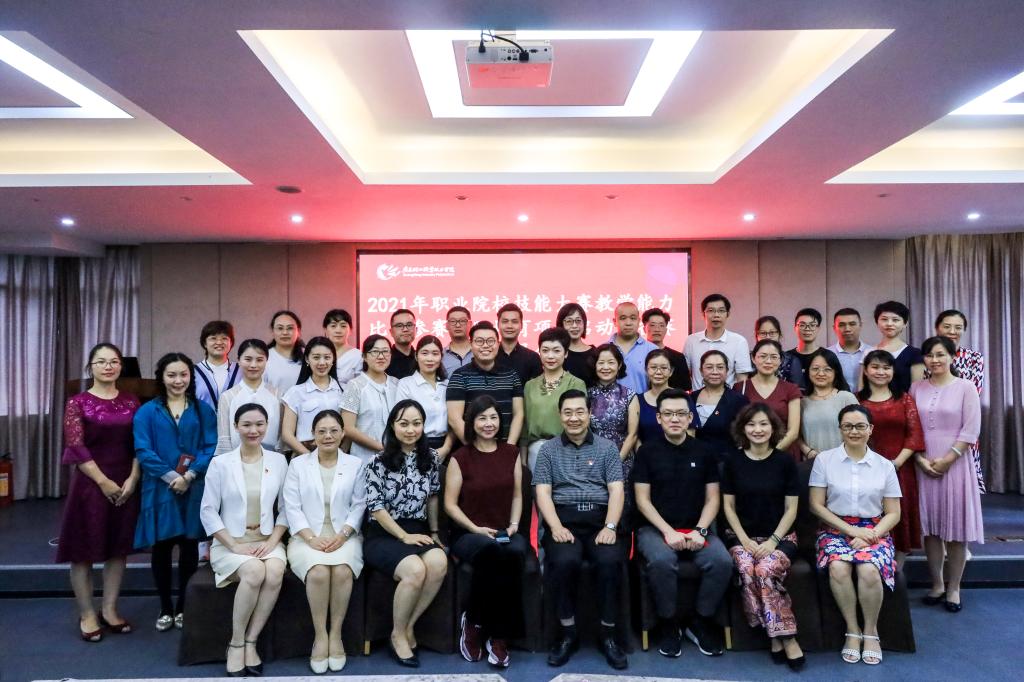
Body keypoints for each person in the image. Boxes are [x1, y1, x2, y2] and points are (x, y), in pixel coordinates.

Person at [633, 388, 731, 659]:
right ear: (659, 418)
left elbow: (713, 498)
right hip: (655, 529)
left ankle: (700, 620)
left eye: (680, 414)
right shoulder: (647, 452)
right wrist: (667, 532)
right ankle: (669, 623)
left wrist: (701, 530)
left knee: (722, 561)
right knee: (662, 561)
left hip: (697, 527)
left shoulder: (705, 452)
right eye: (668, 414)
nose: (674, 419)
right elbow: (642, 500)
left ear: (690, 418)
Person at [533, 389, 628, 670]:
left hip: (600, 520)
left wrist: (610, 526)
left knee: (610, 562)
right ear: (560, 415)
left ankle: (608, 634)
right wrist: (555, 526)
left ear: (589, 414)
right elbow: (543, 492)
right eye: (568, 412)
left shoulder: (607, 448)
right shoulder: (548, 450)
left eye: (579, 412)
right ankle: (568, 632)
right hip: (564, 521)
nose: (573, 418)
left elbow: (616, 490)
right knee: (564, 562)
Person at [57, 343, 142, 642]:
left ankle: (109, 608)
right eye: (101, 361)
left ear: (121, 366)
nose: (108, 366)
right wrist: (103, 482)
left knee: (118, 548)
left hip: (126, 481)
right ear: (90, 367)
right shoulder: (77, 402)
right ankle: (87, 613)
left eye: (114, 361)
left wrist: (133, 477)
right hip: (90, 483)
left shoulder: (132, 401)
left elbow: (139, 443)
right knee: (82, 551)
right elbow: (76, 446)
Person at [809, 405, 902, 665]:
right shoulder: (824, 460)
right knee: (838, 567)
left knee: (869, 569)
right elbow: (816, 505)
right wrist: (850, 531)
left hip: (874, 530)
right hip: (835, 529)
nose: (854, 431)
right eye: (848, 426)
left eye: (860, 426)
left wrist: (871, 534)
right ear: (840, 429)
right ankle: (852, 630)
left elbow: (893, 513)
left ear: (870, 429)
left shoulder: (884, 465)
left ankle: (871, 631)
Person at [200, 403, 288, 677]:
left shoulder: (278, 461)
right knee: (254, 571)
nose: (253, 430)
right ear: (236, 426)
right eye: (247, 425)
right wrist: (234, 545)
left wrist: (273, 541)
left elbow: (287, 508)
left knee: (274, 571)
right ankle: (236, 643)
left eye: (259, 424)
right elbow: (208, 511)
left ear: (267, 426)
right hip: (231, 541)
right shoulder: (220, 463)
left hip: (266, 539)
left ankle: (252, 640)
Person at [133, 352, 217, 631]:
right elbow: (143, 450)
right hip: (160, 488)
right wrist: (173, 477)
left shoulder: (203, 410)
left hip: (193, 486)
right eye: (172, 375)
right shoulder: (147, 411)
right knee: (162, 547)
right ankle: (165, 607)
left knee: (190, 546)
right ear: (162, 377)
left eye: (183, 374)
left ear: (190, 377)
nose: (178, 380)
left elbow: (210, 446)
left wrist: (189, 476)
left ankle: (183, 605)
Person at [362, 400, 448, 668]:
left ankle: (409, 626)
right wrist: (403, 537)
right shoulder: (377, 462)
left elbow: (433, 496)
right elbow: (376, 508)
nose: (411, 430)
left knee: (438, 562)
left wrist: (434, 531)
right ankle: (397, 634)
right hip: (383, 533)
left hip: (417, 530)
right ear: (392, 426)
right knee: (414, 570)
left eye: (416, 424)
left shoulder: (430, 458)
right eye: (404, 424)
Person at [445, 396, 529, 668]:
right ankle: (475, 624)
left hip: (504, 529)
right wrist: (475, 528)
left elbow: (517, 495)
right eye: (482, 418)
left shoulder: (511, 453)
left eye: (493, 417)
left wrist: (514, 525)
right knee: (491, 552)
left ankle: (497, 635)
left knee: (514, 553)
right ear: (472, 423)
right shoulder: (460, 457)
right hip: (468, 533)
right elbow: (449, 504)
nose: (488, 423)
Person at [721, 403, 804, 669]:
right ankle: (778, 634)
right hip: (741, 536)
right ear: (743, 429)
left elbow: (791, 509)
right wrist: (744, 540)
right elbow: (728, 507)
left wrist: (773, 541)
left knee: (765, 570)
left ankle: (785, 637)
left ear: (773, 428)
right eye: (751, 424)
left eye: (763, 424)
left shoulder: (785, 462)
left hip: (781, 537)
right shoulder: (732, 461)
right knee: (747, 567)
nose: (758, 429)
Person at [284, 409, 366, 674]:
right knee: (318, 571)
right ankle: (320, 636)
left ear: (343, 434)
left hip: (346, 535)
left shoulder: (355, 464)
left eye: (333, 430)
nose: (328, 436)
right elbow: (291, 506)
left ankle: (336, 635)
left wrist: (343, 535)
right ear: (313, 435)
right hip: (306, 537)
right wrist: (310, 537)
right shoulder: (298, 465)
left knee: (342, 570)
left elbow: (359, 504)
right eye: (321, 431)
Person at [910, 336, 982, 613]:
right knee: (930, 529)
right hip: (923, 462)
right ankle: (937, 584)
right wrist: (919, 459)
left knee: (955, 530)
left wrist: (948, 459)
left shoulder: (966, 387)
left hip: (955, 463)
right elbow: (911, 428)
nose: (935, 360)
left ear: (952, 356)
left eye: (940, 354)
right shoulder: (916, 388)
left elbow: (971, 429)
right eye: (929, 355)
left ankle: (954, 588)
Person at [859, 350, 925, 565]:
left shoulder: (904, 399)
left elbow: (915, 435)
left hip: (900, 468)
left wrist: (896, 462)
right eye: (875, 367)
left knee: (899, 515)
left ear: (893, 371)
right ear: (865, 371)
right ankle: (872, 564)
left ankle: (897, 571)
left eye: (886, 368)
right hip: (864, 468)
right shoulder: (857, 399)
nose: (881, 372)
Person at [447, 321, 524, 445]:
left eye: (490, 341)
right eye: (479, 341)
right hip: (472, 450)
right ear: (471, 344)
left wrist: (509, 448)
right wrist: (477, 449)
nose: (485, 345)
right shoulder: (459, 376)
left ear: (498, 344)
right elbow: (454, 419)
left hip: (506, 447)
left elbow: (518, 414)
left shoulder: (511, 375)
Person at [521, 327, 587, 472]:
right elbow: (524, 427)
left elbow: (582, 423)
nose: (550, 356)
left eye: (556, 351)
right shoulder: (530, 386)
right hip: (535, 450)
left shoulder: (576, 384)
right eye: (545, 350)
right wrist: (523, 460)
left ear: (566, 353)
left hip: (568, 449)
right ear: (539, 352)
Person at [934, 309, 986, 492]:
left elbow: (975, 393)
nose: (952, 331)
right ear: (937, 328)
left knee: (963, 481)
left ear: (964, 330)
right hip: (933, 422)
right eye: (947, 326)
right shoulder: (928, 357)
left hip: (963, 422)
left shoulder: (974, 358)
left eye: (958, 327)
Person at [216, 339, 281, 455]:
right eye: (248, 359)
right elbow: (224, 439)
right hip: (236, 459)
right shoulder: (228, 397)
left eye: (259, 360)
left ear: (266, 361)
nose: (253, 365)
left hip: (272, 459)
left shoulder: (277, 395)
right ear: (239, 361)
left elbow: (281, 437)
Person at [738, 339, 802, 458]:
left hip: (784, 454)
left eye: (774, 357)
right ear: (753, 358)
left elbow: (793, 432)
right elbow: (737, 426)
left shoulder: (791, 389)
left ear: (780, 360)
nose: (768, 361)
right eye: (763, 356)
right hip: (750, 455)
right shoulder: (740, 388)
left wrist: (769, 454)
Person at [341, 335, 399, 462]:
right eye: (375, 352)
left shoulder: (397, 384)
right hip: (364, 458)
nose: (381, 356)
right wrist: (382, 448)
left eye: (385, 351)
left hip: (396, 457)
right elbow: (348, 428)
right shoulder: (355, 386)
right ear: (364, 357)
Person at [282, 337, 343, 456]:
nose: (322, 363)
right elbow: (287, 434)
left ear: (333, 359)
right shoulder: (295, 392)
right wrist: (310, 458)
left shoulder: (342, 392)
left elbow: (348, 429)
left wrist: (341, 454)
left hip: (337, 456)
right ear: (307, 359)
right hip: (304, 455)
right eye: (316, 357)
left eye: (327, 357)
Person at [687, 350, 750, 461]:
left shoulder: (738, 400)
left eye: (720, 367)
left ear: (727, 371)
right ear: (701, 371)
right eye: (709, 367)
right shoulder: (691, 398)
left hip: (726, 462)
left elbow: (744, 435)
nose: (715, 372)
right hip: (695, 460)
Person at [396, 335, 452, 456]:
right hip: (415, 446)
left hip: (447, 446)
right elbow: (402, 421)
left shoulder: (448, 385)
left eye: (435, 353)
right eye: (424, 353)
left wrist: (446, 448)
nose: (430, 358)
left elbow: (454, 420)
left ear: (441, 357)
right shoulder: (406, 384)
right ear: (416, 356)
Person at [798, 349, 858, 460]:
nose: (821, 373)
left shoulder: (846, 398)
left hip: (844, 461)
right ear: (808, 371)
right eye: (815, 369)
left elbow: (860, 431)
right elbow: (796, 435)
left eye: (827, 369)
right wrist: (808, 452)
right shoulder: (802, 402)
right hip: (812, 462)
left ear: (836, 372)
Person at [587, 343, 640, 468]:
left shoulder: (629, 395)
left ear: (619, 365)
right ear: (595, 365)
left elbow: (633, 435)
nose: (606, 367)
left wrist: (616, 462)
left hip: (622, 460)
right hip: (592, 461)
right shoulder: (587, 394)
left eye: (611, 362)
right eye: (601, 363)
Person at [683, 294, 752, 388]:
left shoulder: (739, 341)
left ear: (728, 314)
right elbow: (685, 374)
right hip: (697, 396)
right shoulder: (691, 341)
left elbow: (742, 379)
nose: (716, 315)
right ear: (703, 314)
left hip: (728, 397)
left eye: (721, 311)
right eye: (711, 311)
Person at [781, 308, 839, 395]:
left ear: (818, 328)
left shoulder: (828, 356)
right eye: (802, 325)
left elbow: (839, 384)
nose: (807, 328)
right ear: (795, 328)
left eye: (812, 325)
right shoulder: (786, 357)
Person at [873, 301, 924, 393]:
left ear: (905, 324)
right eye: (884, 319)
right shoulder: (869, 352)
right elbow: (862, 388)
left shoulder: (915, 354)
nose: (889, 323)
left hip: (906, 401)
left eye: (895, 320)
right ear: (877, 322)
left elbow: (917, 390)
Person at [609, 301, 654, 395]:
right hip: (609, 404)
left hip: (643, 404)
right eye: (623, 318)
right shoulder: (603, 350)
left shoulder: (652, 350)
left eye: (633, 318)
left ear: (639, 321)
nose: (628, 323)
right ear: (614, 321)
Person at [642, 307, 692, 391]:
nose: (657, 329)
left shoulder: (678, 357)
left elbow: (684, 388)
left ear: (666, 330)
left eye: (661, 325)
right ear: (644, 329)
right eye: (652, 325)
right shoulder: (637, 355)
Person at [194, 320, 240, 410]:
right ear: (204, 343)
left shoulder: (241, 370)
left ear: (231, 343)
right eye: (213, 338)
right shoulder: (192, 372)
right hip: (203, 419)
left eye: (224, 338)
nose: (219, 342)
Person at [496, 303, 543, 383]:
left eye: (514, 322)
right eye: (505, 321)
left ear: (522, 326)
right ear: (498, 325)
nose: (509, 326)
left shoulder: (532, 358)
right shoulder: (489, 356)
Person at [829, 308, 873, 391]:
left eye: (852, 324)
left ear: (860, 325)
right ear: (834, 328)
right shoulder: (827, 354)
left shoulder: (872, 352)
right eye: (842, 325)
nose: (847, 329)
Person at [637, 349, 674, 447]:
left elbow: (690, 432)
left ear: (671, 371)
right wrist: (642, 454)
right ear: (646, 370)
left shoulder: (682, 398)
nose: (658, 372)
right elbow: (635, 435)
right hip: (646, 454)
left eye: (664, 368)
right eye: (653, 367)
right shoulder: (637, 400)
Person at [264, 310, 304, 395]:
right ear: (272, 331)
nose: (285, 332)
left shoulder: (309, 355)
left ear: (298, 331)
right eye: (280, 328)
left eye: (290, 328)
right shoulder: (263, 357)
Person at [557, 302, 597, 385]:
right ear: (561, 324)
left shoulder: (595, 353)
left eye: (578, 321)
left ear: (584, 323)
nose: (574, 326)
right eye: (569, 321)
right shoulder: (557, 353)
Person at [323, 309, 362, 387]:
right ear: (325, 330)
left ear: (350, 330)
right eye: (333, 326)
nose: (338, 330)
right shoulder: (317, 354)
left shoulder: (358, 356)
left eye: (343, 326)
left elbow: (362, 386)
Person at [442, 306, 474, 376]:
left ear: (470, 324)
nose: (458, 325)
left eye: (462, 321)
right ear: (447, 325)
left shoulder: (480, 352)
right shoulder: (440, 356)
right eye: (453, 321)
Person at [387, 309, 418, 380]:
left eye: (409, 325)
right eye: (399, 326)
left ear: (416, 329)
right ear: (391, 332)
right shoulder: (385, 359)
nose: (405, 329)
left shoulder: (422, 358)